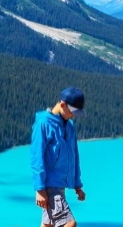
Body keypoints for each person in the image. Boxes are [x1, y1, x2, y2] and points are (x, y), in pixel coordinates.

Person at [31, 87, 86, 227]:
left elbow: (74, 156)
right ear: (62, 104)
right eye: (72, 112)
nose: (73, 116)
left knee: (48, 224)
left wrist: (77, 184)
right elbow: (37, 157)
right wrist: (40, 189)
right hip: (50, 186)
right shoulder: (44, 124)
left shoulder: (70, 127)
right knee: (70, 223)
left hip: (60, 185)